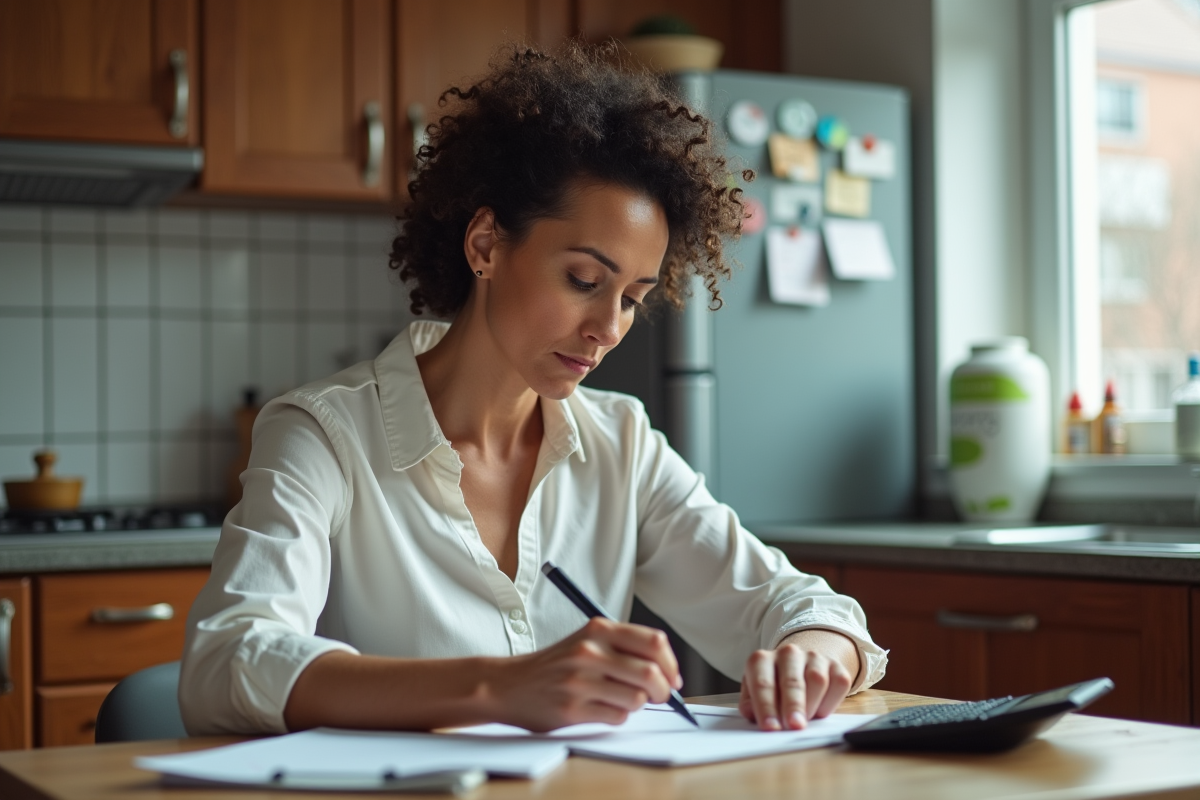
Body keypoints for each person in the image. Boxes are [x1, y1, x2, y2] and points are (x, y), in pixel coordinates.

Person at [180, 42, 886, 737]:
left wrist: (813, 654)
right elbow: (227, 662)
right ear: (485, 245)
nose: (608, 328)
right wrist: (499, 687)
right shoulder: (323, 435)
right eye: (584, 280)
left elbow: (802, 608)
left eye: (633, 299)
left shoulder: (621, 444)